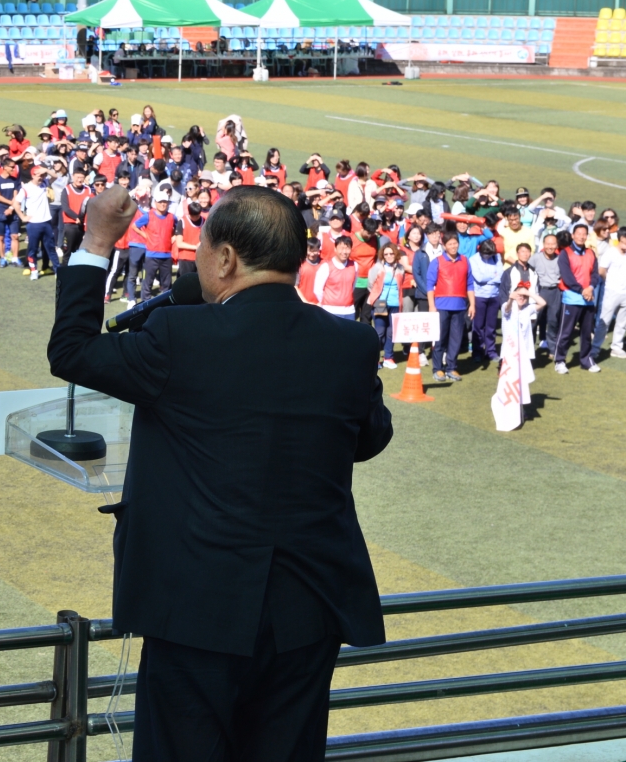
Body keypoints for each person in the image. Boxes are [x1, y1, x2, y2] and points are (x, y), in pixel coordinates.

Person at [47, 184, 391, 762]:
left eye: (201, 249)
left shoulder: (180, 335)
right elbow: (368, 438)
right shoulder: (350, 342)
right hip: (309, 608)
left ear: (226, 258)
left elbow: (72, 350)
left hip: (195, 608)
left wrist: (100, 238)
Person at [426, 230, 475, 383]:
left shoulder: (465, 261)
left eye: (455, 243)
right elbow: (429, 285)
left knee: (456, 339)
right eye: (450, 244)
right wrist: (431, 306)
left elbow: (470, 284)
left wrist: (472, 304)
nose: (453, 246)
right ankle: (438, 368)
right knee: (439, 339)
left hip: (460, 306)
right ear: (444, 245)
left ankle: (451, 367)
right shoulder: (437, 261)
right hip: (441, 305)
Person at [554, 222, 599, 374]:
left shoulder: (591, 253)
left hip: (588, 299)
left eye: (584, 234)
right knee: (565, 332)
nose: (581, 236)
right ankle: (560, 360)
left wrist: (590, 288)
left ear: (587, 236)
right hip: (571, 299)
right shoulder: (565, 253)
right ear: (573, 235)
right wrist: (582, 290)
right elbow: (567, 277)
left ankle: (586, 360)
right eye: (578, 233)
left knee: (586, 334)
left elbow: (595, 275)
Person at [591, 230, 626, 360]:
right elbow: (601, 270)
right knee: (604, 321)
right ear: (622, 238)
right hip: (612, 291)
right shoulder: (611, 252)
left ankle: (617, 347)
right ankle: (595, 349)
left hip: (625, 293)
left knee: (622, 322)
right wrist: (610, 282)